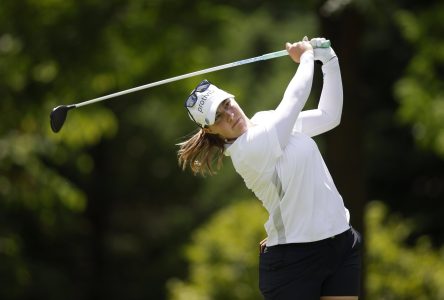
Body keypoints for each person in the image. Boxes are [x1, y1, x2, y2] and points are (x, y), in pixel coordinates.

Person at [177, 37, 362, 300]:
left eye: (226, 104)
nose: (229, 114)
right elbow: (295, 98)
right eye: (218, 116)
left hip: (340, 241)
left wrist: (330, 61)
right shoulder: (247, 150)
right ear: (210, 130)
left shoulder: (266, 121)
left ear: (233, 97)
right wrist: (307, 56)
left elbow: (329, 116)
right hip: (294, 261)